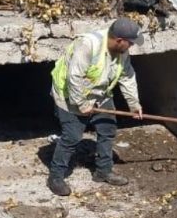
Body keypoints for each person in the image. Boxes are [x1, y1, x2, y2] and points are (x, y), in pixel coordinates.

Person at [47, 18, 144, 196]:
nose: (131, 47)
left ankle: (103, 171)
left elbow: (127, 76)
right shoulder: (88, 44)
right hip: (69, 94)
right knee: (72, 137)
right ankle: (56, 177)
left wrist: (134, 104)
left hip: (99, 92)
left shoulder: (121, 52)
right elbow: (74, 78)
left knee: (107, 129)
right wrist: (82, 104)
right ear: (119, 40)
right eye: (130, 43)